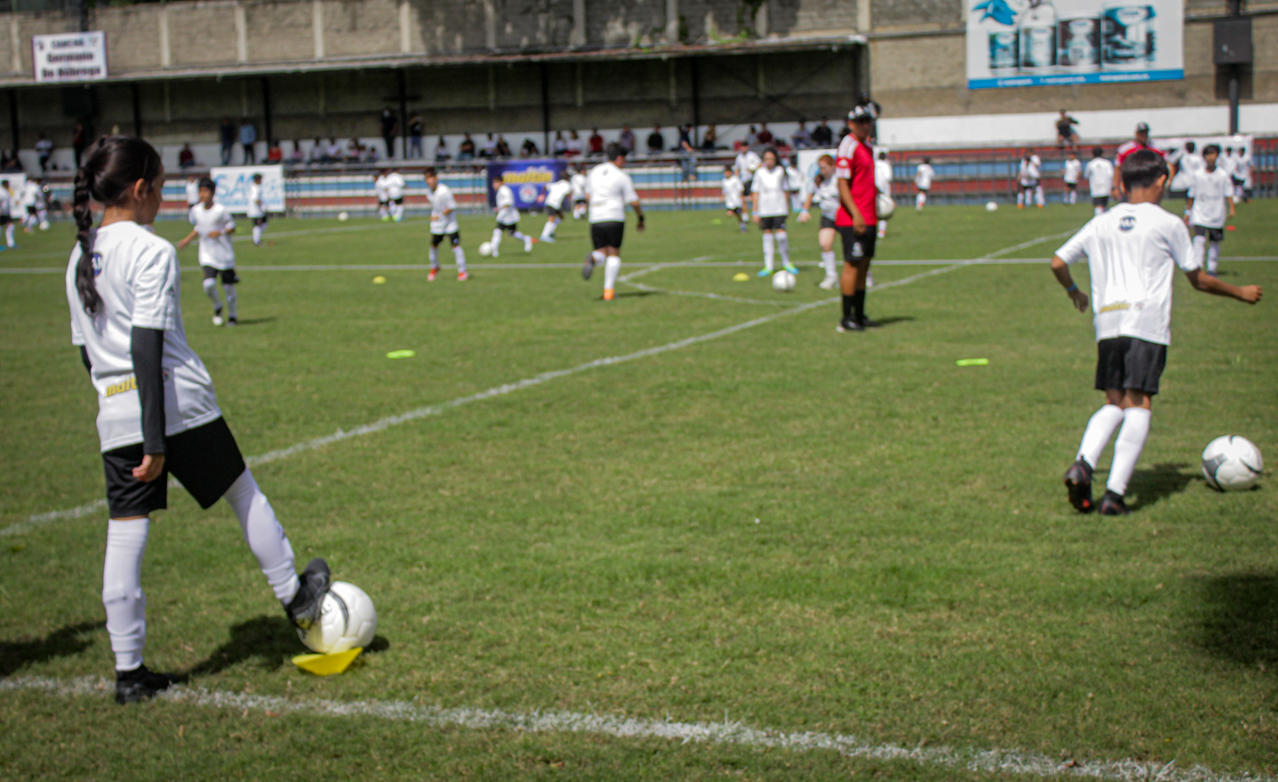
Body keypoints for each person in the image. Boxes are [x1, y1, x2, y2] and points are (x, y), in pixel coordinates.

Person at [66, 137, 333, 703]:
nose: (162, 200)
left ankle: (129, 672)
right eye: (160, 189)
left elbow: (87, 354)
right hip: (176, 407)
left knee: (125, 532)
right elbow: (147, 344)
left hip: (114, 413)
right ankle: (296, 597)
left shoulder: (77, 256)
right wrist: (157, 436)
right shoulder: (151, 249)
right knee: (242, 492)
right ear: (139, 190)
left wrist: (122, 412)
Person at [1053, 150, 1261, 516]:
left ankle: (1083, 464)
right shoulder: (1167, 223)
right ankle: (1115, 497)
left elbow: (1058, 262)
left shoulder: (1101, 221)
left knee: (1113, 402)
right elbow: (1197, 279)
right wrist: (1240, 293)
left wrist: (1075, 292)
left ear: (1123, 182)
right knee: (1139, 403)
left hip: (1108, 325)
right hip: (1146, 324)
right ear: (1162, 181)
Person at [834, 105, 879, 332]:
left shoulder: (868, 147)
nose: (864, 125)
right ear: (851, 123)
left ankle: (860, 315)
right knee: (852, 265)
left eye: (867, 121)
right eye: (860, 121)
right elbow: (842, 183)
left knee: (864, 267)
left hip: (870, 216)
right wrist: (856, 214)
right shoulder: (848, 145)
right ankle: (846, 317)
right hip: (853, 219)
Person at [581, 142, 644, 301]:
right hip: (614, 216)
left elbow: (587, 195)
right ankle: (608, 291)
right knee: (614, 253)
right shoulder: (621, 175)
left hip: (596, 216)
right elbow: (634, 201)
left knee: (601, 251)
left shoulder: (594, 172)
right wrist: (640, 218)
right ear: (619, 158)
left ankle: (594, 258)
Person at [178, 176, 240, 326]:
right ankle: (218, 306)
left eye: (205, 191)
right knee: (209, 284)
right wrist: (187, 239)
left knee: (228, 288)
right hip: (207, 254)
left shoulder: (221, 210)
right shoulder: (196, 210)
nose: (202, 195)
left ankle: (232, 316)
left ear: (212, 193)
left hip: (224, 254)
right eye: (200, 191)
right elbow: (199, 227)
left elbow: (232, 227)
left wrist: (220, 232)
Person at [1185, 144, 1234, 278]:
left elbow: (1228, 191)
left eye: (1213, 154)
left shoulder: (1222, 174)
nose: (1210, 157)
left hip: (1216, 213)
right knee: (1199, 239)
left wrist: (1231, 207)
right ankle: (1198, 266)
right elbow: (1191, 194)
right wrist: (1187, 212)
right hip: (1199, 212)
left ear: (1217, 156)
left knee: (1214, 241)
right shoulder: (1198, 174)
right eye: (1207, 154)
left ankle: (1212, 268)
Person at [750, 147, 798, 278]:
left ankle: (786, 263)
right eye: (766, 159)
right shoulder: (759, 172)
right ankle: (769, 265)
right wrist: (755, 211)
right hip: (764, 209)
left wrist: (787, 207)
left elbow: (785, 189)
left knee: (781, 235)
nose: (769, 161)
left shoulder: (780, 171)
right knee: (767, 235)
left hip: (779, 207)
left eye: (771, 158)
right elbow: (755, 192)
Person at [799, 154, 840, 290]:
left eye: (825, 167)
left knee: (851, 247)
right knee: (825, 244)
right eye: (820, 168)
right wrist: (805, 211)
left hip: (844, 216)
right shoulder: (818, 180)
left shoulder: (839, 179)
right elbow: (809, 195)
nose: (822, 170)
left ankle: (864, 274)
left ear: (833, 166)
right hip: (827, 216)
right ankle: (831, 276)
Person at [424, 167, 467, 282]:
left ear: (436, 178)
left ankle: (462, 271)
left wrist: (439, 215)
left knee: (455, 246)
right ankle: (434, 267)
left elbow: (452, 206)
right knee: (434, 246)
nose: (429, 181)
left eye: (431, 178)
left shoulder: (444, 191)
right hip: (437, 226)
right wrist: (436, 217)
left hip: (450, 224)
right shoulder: (428, 192)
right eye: (427, 179)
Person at [1113, 122, 1163, 200]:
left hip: (1149, 186)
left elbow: (1165, 165)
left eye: (1145, 133)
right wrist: (1116, 187)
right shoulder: (1125, 149)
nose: (1144, 135)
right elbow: (1118, 168)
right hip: (1130, 185)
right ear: (1136, 134)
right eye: (1141, 133)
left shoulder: (1155, 149)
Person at [490, 178, 534, 256]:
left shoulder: (504, 190)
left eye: (496, 182)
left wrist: (499, 208)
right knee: (498, 232)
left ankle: (526, 239)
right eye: (493, 183)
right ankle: (494, 251)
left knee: (511, 233)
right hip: (504, 215)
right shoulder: (500, 190)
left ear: (501, 182)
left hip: (509, 215)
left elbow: (509, 202)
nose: (494, 185)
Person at [540, 170, 573, 243]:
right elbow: (569, 193)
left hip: (551, 202)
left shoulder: (557, 183)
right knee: (551, 218)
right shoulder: (568, 185)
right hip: (554, 203)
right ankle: (544, 235)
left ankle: (550, 231)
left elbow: (545, 186)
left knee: (561, 217)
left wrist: (542, 194)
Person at [1085, 146, 1115, 216]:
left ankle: (1098, 222)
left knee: (1098, 206)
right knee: (1104, 207)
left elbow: (1086, 175)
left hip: (1095, 188)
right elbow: (1111, 175)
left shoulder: (1090, 164)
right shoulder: (1107, 163)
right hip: (1106, 188)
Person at [733, 145, 762, 217]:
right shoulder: (739, 157)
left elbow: (760, 164)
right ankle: (745, 214)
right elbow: (737, 168)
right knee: (742, 197)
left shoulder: (752, 155)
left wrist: (753, 169)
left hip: (751, 178)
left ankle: (756, 211)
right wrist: (736, 179)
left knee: (753, 196)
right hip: (743, 179)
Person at [721, 165, 747, 234]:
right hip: (729, 201)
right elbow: (724, 190)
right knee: (730, 213)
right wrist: (723, 196)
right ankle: (742, 224)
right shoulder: (724, 181)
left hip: (736, 200)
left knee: (737, 214)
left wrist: (740, 195)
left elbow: (740, 188)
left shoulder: (735, 179)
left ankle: (742, 224)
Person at [874, 150, 892, 239]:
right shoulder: (886, 165)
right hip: (883, 190)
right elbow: (888, 177)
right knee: (884, 210)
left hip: (872, 188)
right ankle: (881, 232)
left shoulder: (874, 164)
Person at [246, 173, 267, 246]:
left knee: (264, 223)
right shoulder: (254, 188)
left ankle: (258, 238)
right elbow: (256, 199)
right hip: (255, 210)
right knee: (257, 225)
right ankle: (256, 241)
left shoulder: (257, 187)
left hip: (258, 210)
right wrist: (262, 206)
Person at [0, 178, 14, 249]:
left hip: (6, 213)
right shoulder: (1, 192)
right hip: (1, 213)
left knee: (10, 226)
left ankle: (11, 243)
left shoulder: (6, 191)